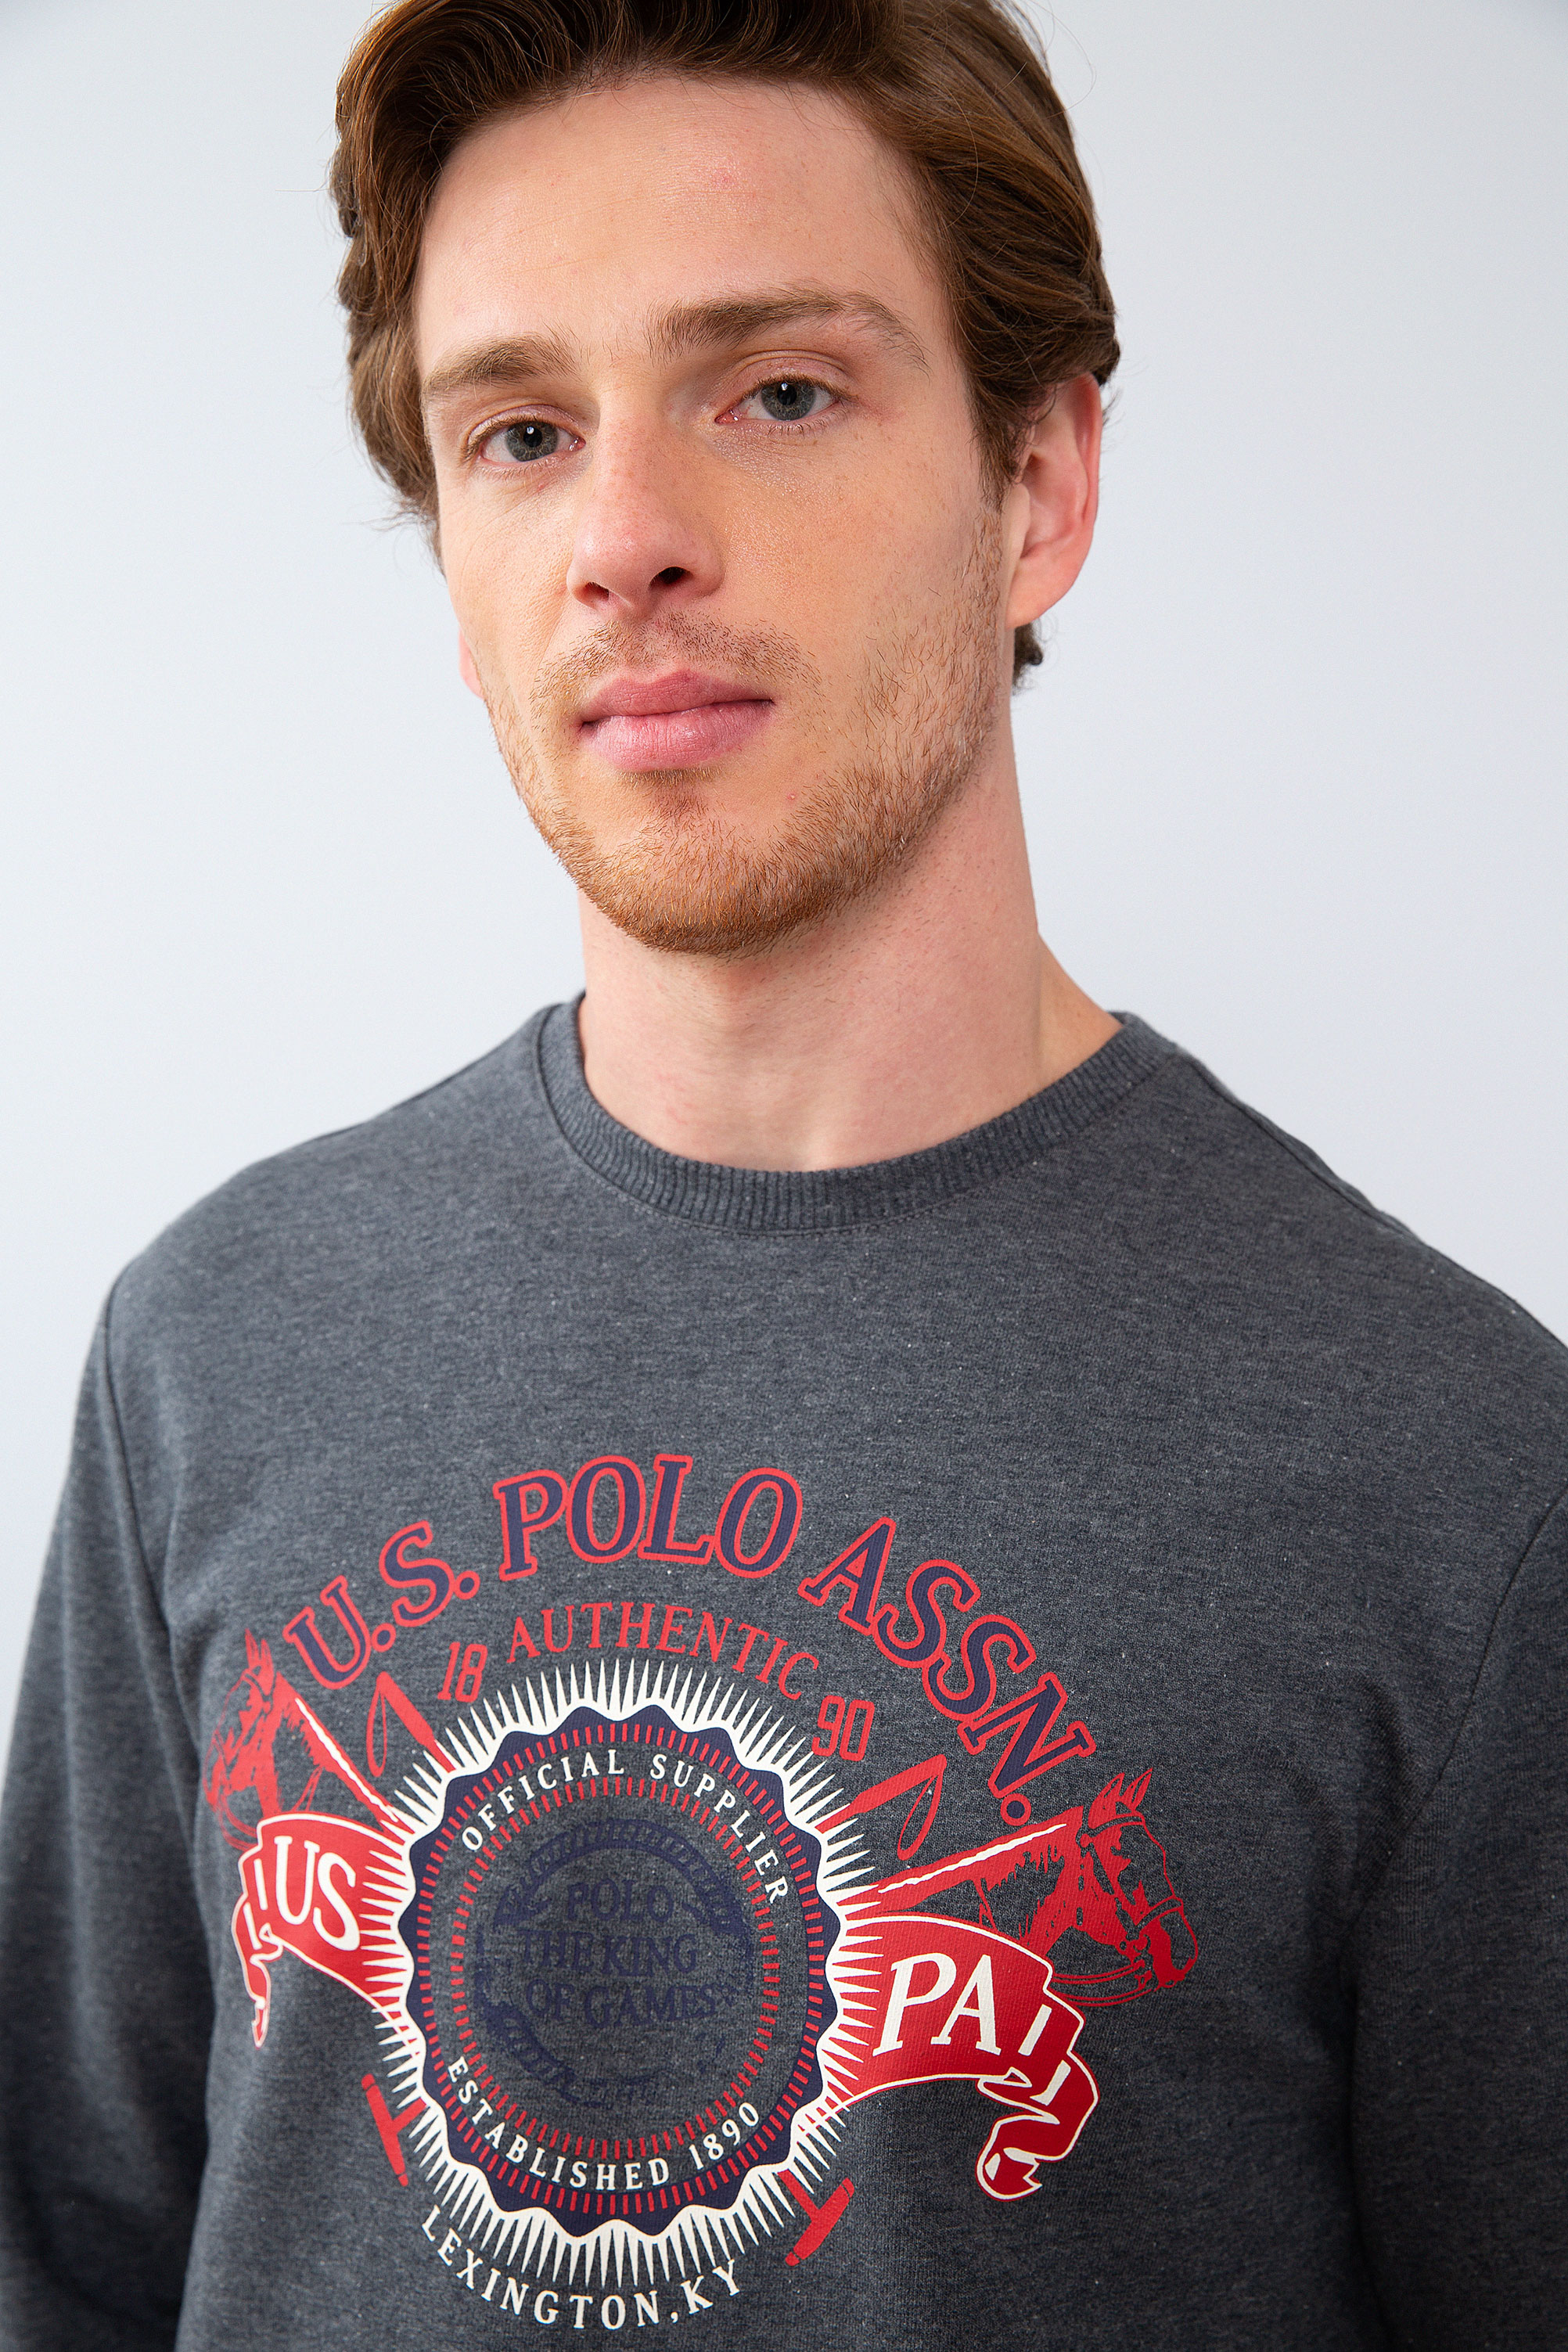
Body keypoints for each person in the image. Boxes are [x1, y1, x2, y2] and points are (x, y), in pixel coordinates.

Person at [1, 0, 1563, 2344]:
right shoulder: (209, 1351)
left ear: (1037, 483)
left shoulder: (1457, 1478)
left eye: (780, 392)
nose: (623, 539)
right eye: (522, 434)